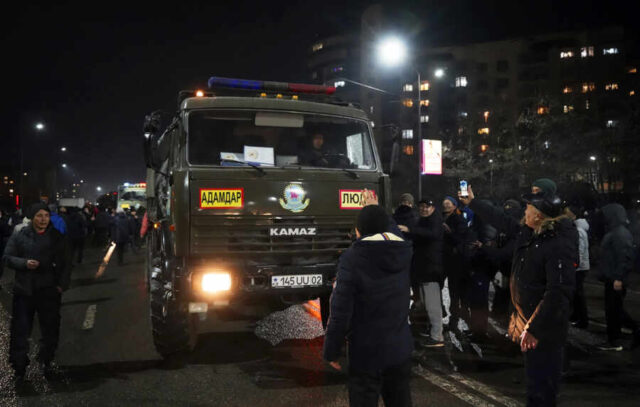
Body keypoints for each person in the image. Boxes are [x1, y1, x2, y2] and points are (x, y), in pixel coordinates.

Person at [460, 186, 576, 407]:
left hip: (543, 332)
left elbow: (558, 292)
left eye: (529, 207)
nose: (525, 211)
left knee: (543, 389)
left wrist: (534, 329)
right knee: (534, 387)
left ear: (539, 215)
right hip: (529, 325)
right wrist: (473, 202)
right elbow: (502, 219)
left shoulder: (557, 244)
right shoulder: (530, 233)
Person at [323, 202, 414, 407]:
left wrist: (332, 350)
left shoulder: (353, 258)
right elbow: (389, 231)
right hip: (399, 348)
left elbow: (340, 311)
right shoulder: (403, 251)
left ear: (358, 231)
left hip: (366, 351)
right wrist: (377, 209)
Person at [2, 203, 70, 384]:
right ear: (32, 218)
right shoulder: (20, 235)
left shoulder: (57, 237)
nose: (43, 220)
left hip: (48, 290)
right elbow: (7, 258)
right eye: (39, 216)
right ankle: (18, 368)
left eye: (46, 216)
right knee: (20, 331)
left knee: (50, 329)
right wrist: (24, 264)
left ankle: (46, 362)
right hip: (24, 291)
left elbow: (66, 263)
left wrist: (62, 285)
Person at [596, 203, 640, 351]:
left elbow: (625, 258)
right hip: (612, 277)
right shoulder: (616, 231)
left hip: (615, 279)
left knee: (614, 311)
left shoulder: (620, 233)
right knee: (614, 310)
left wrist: (619, 278)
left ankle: (615, 340)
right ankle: (617, 337)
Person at [405, 198, 445, 348]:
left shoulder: (435, 222)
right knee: (428, 304)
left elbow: (431, 234)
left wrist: (410, 230)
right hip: (424, 269)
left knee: (433, 305)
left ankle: (437, 336)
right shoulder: (422, 221)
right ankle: (433, 333)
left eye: (427, 206)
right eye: (421, 206)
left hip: (431, 270)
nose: (424, 209)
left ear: (433, 208)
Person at [442, 195, 470, 333]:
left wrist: (449, 232)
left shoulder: (459, 219)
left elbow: (461, 239)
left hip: (455, 261)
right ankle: (451, 318)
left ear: (454, 205)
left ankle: (457, 321)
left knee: (455, 293)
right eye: (444, 203)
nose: (446, 205)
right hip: (443, 260)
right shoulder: (441, 217)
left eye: (449, 203)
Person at [571, 214, 590, 329]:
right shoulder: (580, 229)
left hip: (579, 267)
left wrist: (575, 265)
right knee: (577, 293)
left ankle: (582, 320)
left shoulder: (578, 231)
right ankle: (577, 316)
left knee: (578, 294)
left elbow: (580, 250)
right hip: (581, 266)